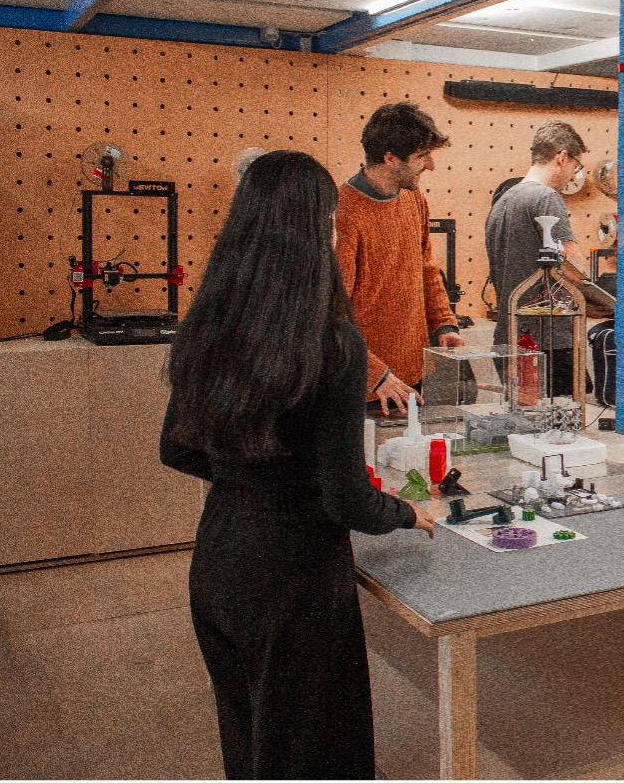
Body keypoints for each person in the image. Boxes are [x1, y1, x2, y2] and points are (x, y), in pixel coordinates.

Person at [160, 151, 435, 780]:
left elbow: (176, 449)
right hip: (296, 579)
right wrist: (406, 513)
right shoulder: (333, 344)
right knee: (315, 752)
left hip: (217, 562)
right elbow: (346, 498)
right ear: (316, 230)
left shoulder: (208, 324)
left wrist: (252, 478)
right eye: (332, 221)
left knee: (249, 739)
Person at [335, 102, 463, 414]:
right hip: (367, 384)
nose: (431, 165)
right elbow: (334, 314)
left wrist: (444, 324)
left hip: (413, 374)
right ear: (390, 158)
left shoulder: (414, 197)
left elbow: (426, 268)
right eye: (422, 156)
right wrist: (375, 374)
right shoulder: (344, 211)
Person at [485, 120, 590, 397]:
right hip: (548, 341)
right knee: (560, 420)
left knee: (524, 416)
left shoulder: (503, 201)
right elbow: (576, 271)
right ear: (562, 157)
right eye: (576, 166)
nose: (573, 177)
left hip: (509, 335)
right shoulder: (546, 198)